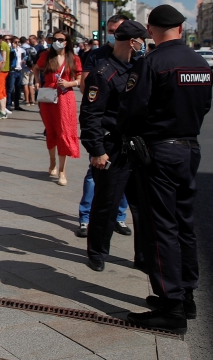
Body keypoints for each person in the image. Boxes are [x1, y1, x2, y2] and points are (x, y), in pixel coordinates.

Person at [119, 4, 213, 334]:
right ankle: (186, 295)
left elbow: (133, 107)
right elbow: (204, 106)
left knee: (161, 227)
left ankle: (170, 305)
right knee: (184, 222)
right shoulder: (200, 63)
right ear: (181, 27)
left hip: (160, 152)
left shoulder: (154, 62)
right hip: (190, 148)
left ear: (151, 28)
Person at [78, 20, 147, 273]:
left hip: (136, 146)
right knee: (106, 203)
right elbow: (90, 115)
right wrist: (96, 149)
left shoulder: (140, 67)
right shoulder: (103, 72)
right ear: (132, 42)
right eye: (142, 40)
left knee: (141, 206)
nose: (144, 45)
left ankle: (143, 256)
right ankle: (97, 252)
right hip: (112, 146)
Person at [76, 15, 132, 238]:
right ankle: (85, 218)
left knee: (127, 176)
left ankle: (119, 217)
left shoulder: (136, 57)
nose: (113, 34)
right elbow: (86, 86)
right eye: (110, 30)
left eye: (117, 30)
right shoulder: (97, 55)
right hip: (104, 126)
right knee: (94, 173)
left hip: (126, 128)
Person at [36, 31, 81, 185]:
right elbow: (36, 68)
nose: (56, 42)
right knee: (51, 130)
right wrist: (37, 82)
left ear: (67, 42)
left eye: (60, 39)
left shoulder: (74, 58)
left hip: (65, 97)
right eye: (54, 39)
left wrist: (70, 83)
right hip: (49, 96)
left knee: (65, 132)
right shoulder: (46, 56)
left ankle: (62, 171)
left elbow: (80, 78)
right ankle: (52, 161)